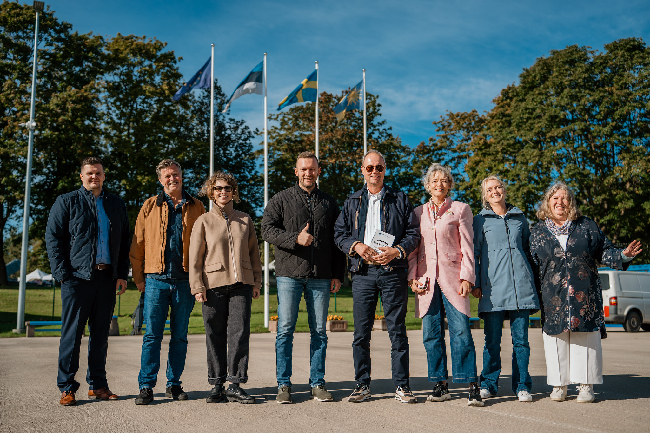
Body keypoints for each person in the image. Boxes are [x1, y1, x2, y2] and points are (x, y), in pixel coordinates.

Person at [530, 182, 641, 403]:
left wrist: (624, 255)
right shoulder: (537, 231)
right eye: (555, 198)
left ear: (571, 202)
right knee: (555, 341)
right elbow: (531, 266)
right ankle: (559, 385)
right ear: (548, 203)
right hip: (553, 297)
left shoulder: (586, 226)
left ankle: (585, 386)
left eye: (564, 198)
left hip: (585, 295)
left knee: (586, 340)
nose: (560, 202)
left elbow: (605, 251)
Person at [334, 149, 420, 404]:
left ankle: (402, 386)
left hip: (393, 272)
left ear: (385, 170)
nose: (374, 172)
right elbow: (339, 234)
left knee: (397, 330)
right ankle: (362, 384)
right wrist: (356, 246)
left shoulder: (400, 199)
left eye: (379, 167)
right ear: (362, 170)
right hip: (363, 273)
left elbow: (413, 233)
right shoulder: (352, 201)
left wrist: (397, 251)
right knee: (361, 333)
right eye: (370, 167)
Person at [262, 151, 345, 404]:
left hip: (320, 275)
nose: (308, 173)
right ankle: (283, 384)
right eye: (304, 169)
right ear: (296, 172)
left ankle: (317, 383)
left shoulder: (329, 203)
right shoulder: (281, 199)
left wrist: (337, 274)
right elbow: (266, 230)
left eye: (312, 169)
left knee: (319, 331)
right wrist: (294, 239)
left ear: (319, 171)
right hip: (289, 275)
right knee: (285, 330)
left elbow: (337, 241)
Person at [45, 157, 130, 406]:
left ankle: (98, 385)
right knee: (72, 334)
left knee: (101, 334)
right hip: (76, 278)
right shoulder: (67, 201)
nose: (95, 177)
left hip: (107, 277)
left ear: (104, 176)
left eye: (99, 173)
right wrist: (62, 274)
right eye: (90, 173)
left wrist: (121, 274)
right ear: (81, 176)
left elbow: (124, 241)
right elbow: (53, 237)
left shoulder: (116, 204)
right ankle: (67, 387)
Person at [129, 159, 206, 405]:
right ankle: (146, 386)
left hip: (185, 281)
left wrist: (200, 280)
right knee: (152, 336)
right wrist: (139, 279)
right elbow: (138, 244)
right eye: (167, 176)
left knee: (180, 336)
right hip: (155, 280)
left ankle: (174, 384)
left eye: (176, 174)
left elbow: (205, 245)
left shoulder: (197, 206)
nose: (172, 179)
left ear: (181, 176)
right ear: (160, 180)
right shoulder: (149, 206)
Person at [407, 163, 483, 406]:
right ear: (428, 185)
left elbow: (468, 246)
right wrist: (412, 277)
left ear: (449, 184)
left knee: (461, 332)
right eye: (434, 181)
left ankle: (471, 384)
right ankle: (440, 384)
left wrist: (467, 277)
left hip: (454, 279)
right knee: (431, 334)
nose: (438, 184)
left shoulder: (460, 209)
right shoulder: (418, 212)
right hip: (426, 281)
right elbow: (414, 249)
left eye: (443, 180)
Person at [190, 172, 262, 404]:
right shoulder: (203, 221)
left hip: (242, 285)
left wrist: (257, 282)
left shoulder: (245, 220)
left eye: (228, 188)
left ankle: (235, 384)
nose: (223, 192)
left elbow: (254, 254)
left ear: (233, 192)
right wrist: (197, 286)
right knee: (214, 334)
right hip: (213, 286)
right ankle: (217, 384)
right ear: (211, 192)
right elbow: (195, 258)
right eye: (218, 188)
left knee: (239, 334)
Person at [472, 176, 540, 402]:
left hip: (521, 289)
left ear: (504, 189)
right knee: (492, 342)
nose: (495, 191)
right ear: (485, 195)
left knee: (521, 342)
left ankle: (522, 386)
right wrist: (476, 283)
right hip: (493, 290)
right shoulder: (479, 221)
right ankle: (488, 384)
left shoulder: (520, 218)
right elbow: (475, 254)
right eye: (489, 189)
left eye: (498, 187)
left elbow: (528, 251)